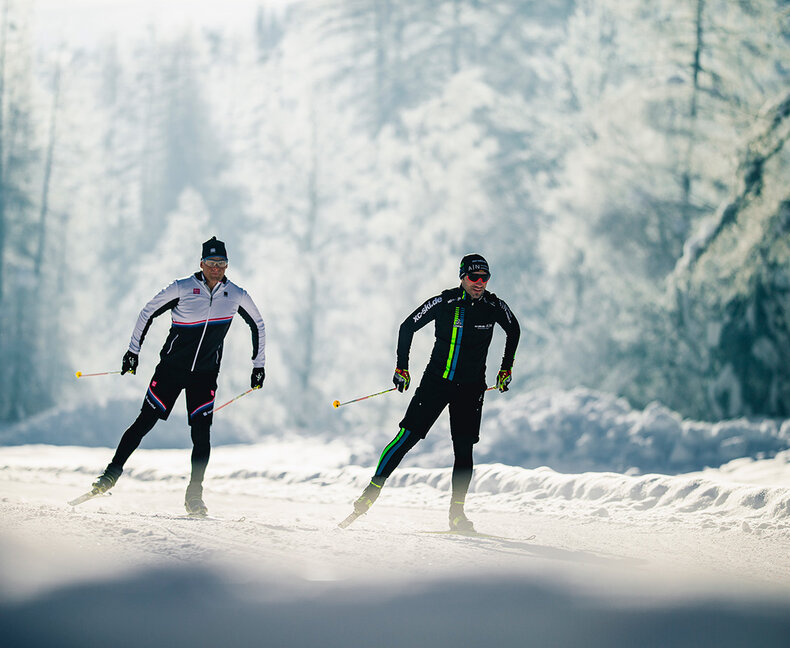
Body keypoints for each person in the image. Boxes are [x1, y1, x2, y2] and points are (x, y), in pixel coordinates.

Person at [87, 236, 266, 515]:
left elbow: (258, 324)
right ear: (201, 263)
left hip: (205, 375)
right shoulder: (182, 288)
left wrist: (258, 366)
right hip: (171, 370)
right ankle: (110, 474)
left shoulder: (236, 295)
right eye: (211, 263)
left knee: (202, 435)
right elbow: (147, 312)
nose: (216, 269)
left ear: (227, 266)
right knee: (144, 422)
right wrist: (133, 351)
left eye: (221, 264)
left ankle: (194, 496)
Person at [347, 254, 520, 531]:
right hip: (436, 384)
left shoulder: (494, 306)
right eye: (474, 277)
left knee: (464, 449)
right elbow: (407, 326)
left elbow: (514, 329)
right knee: (407, 437)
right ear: (462, 277)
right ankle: (371, 491)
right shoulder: (444, 302)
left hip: (471, 389)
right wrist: (402, 367)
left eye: (485, 278)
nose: (479, 283)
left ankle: (457, 514)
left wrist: (506, 368)